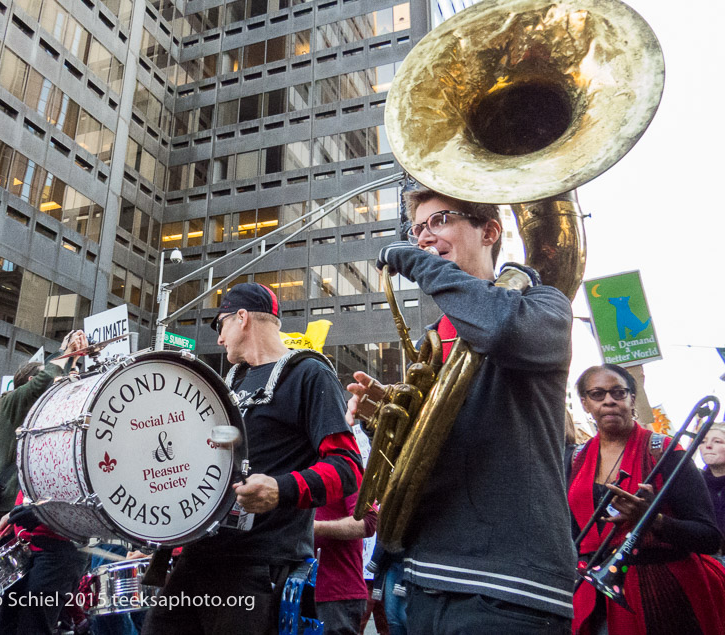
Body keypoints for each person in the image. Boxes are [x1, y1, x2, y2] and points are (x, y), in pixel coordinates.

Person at [346, 188, 576, 632]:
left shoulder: (544, 304)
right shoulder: (438, 336)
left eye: (440, 221)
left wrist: (416, 261)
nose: (424, 238)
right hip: (423, 578)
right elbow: (423, 459)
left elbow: (501, 328)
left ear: (490, 231)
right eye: (417, 230)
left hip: (509, 585)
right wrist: (385, 423)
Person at [142, 283, 362, 635]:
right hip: (200, 558)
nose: (218, 339)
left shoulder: (310, 374)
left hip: (258, 566)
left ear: (242, 318)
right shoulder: (230, 381)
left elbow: (347, 467)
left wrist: (281, 488)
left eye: (220, 325)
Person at [569, 364, 725, 635]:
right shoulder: (573, 458)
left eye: (618, 392)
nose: (609, 400)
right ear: (584, 403)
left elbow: (710, 537)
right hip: (593, 598)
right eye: (597, 394)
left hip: (667, 596)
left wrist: (653, 519)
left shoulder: (665, 451)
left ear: (632, 398)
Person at [0, 329, 90, 635]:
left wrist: (74, 363)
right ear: (31, 386)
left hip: (45, 535)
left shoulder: (51, 428)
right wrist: (64, 354)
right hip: (21, 525)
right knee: (3, 619)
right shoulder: (16, 405)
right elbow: (46, 382)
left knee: (28, 621)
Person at [314, 492, 377, 635]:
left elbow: (368, 522)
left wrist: (312, 527)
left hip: (336, 596)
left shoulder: (348, 471)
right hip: (301, 590)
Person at [701, 422, 725, 552]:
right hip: (706, 558)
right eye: (703, 441)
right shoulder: (694, 483)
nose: (708, 446)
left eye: (717, 441)